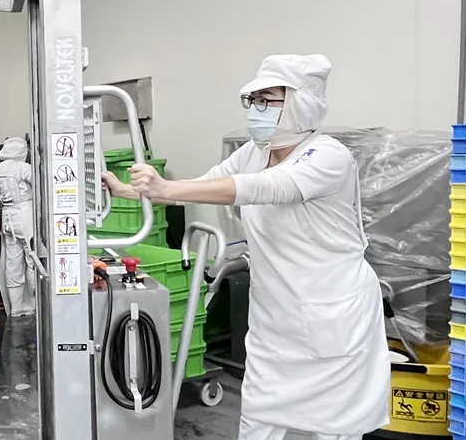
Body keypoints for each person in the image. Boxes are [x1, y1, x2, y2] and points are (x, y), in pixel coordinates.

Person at [102, 54, 389, 440]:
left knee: (332, 426)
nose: (256, 110)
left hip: (332, 309)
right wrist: (129, 191)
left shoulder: (327, 155)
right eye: (252, 100)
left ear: (301, 103)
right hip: (275, 313)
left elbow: (267, 188)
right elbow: (204, 184)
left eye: (267, 100)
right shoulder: (256, 152)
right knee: (259, 415)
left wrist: (165, 187)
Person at [0, 137, 36, 316]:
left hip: (7, 216)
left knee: (13, 263)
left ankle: (16, 307)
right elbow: (42, 186)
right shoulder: (23, 168)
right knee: (32, 260)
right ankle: (33, 304)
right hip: (25, 215)